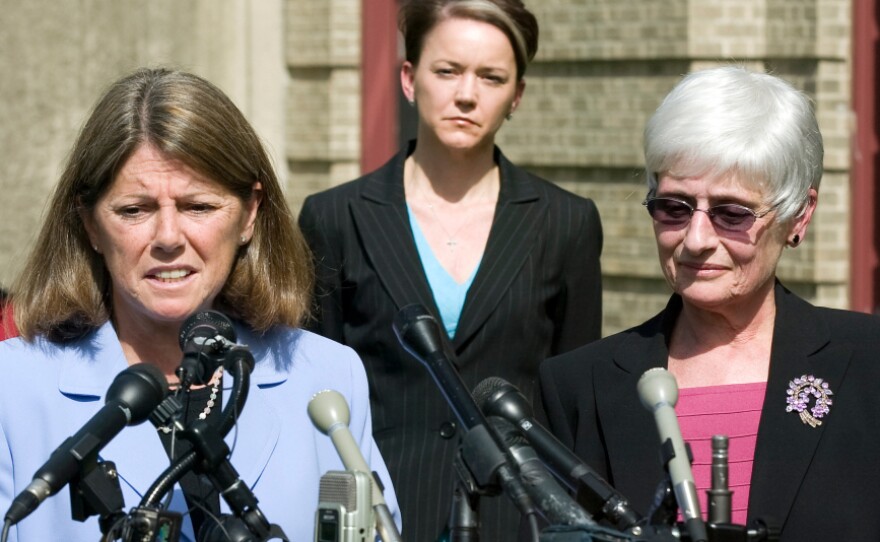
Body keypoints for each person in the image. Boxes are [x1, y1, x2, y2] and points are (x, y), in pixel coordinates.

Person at [0, 68, 399, 542]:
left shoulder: (327, 378)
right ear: (90, 225)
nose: (169, 238)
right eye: (135, 210)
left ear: (250, 214)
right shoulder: (14, 390)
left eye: (198, 207)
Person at [298, 0, 603, 539]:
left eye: (491, 77)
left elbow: (571, 406)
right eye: (448, 71)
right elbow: (319, 398)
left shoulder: (566, 222)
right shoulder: (334, 217)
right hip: (379, 515)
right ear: (410, 79)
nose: (467, 93)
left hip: (518, 520)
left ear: (517, 96)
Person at [540, 65, 880, 540]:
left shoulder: (866, 364)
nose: (696, 239)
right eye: (674, 207)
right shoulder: (580, 387)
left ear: (799, 216)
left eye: (731, 213)